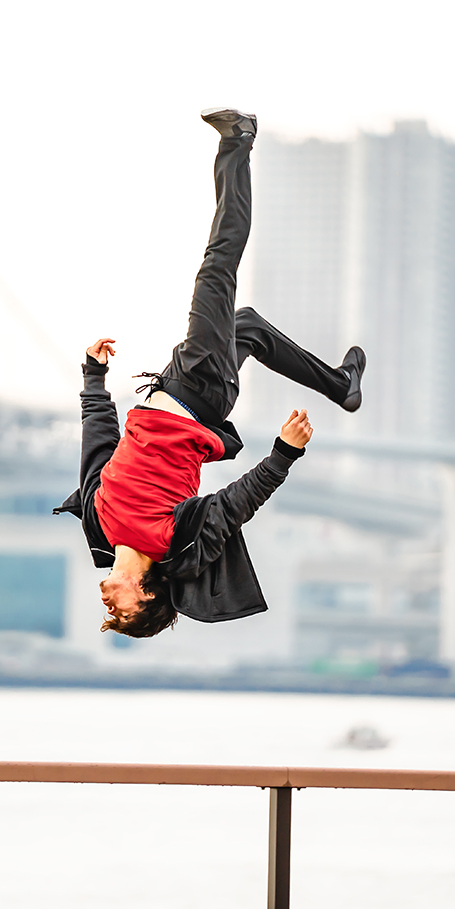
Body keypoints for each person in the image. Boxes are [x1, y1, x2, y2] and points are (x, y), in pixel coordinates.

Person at [54, 109, 366, 637]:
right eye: (120, 610)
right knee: (217, 267)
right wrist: (284, 454)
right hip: (200, 394)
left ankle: (342, 386)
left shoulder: (100, 528)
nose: (106, 602)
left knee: (244, 326)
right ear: (147, 592)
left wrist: (93, 378)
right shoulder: (177, 542)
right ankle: (237, 142)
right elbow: (236, 504)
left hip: (167, 387)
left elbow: (99, 448)